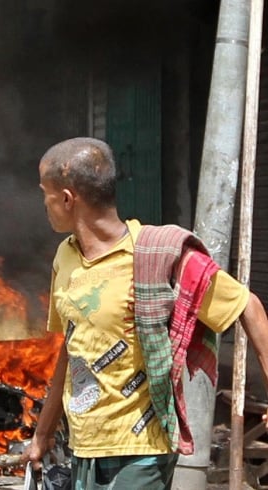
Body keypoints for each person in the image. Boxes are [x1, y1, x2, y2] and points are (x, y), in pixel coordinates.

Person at [21, 137, 268, 489]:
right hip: (84, 447)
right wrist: (43, 434)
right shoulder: (66, 256)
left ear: (66, 199)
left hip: (141, 450)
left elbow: (249, 306)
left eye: (44, 193)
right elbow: (71, 347)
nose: (43, 204)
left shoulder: (157, 254)